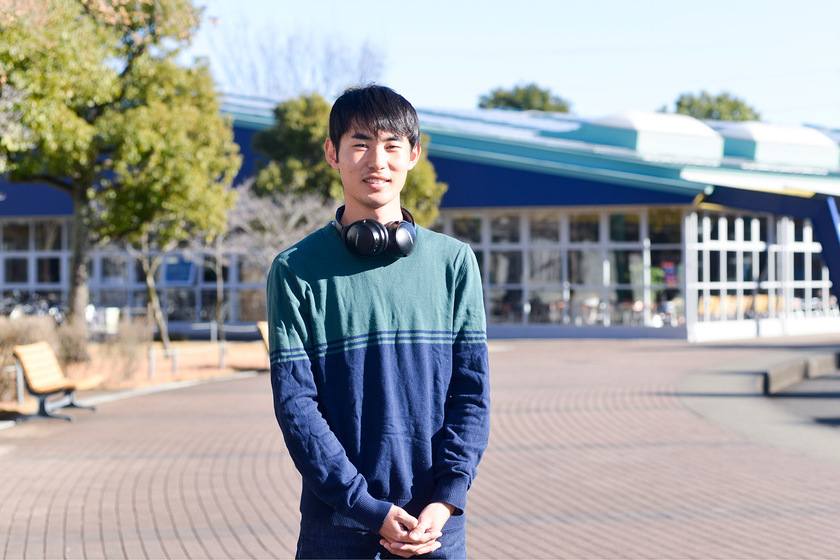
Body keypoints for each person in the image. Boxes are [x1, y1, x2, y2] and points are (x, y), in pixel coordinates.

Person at [265, 84, 490, 559]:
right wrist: (366, 507)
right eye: (360, 144)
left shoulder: (453, 263)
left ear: (414, 154)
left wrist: (447, 500)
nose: (377, 161)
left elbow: (472, 395)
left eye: (391, 146)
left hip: (435, 528)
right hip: (338, 528)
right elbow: (296, 407)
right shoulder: (295, 270)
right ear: (333, 153)